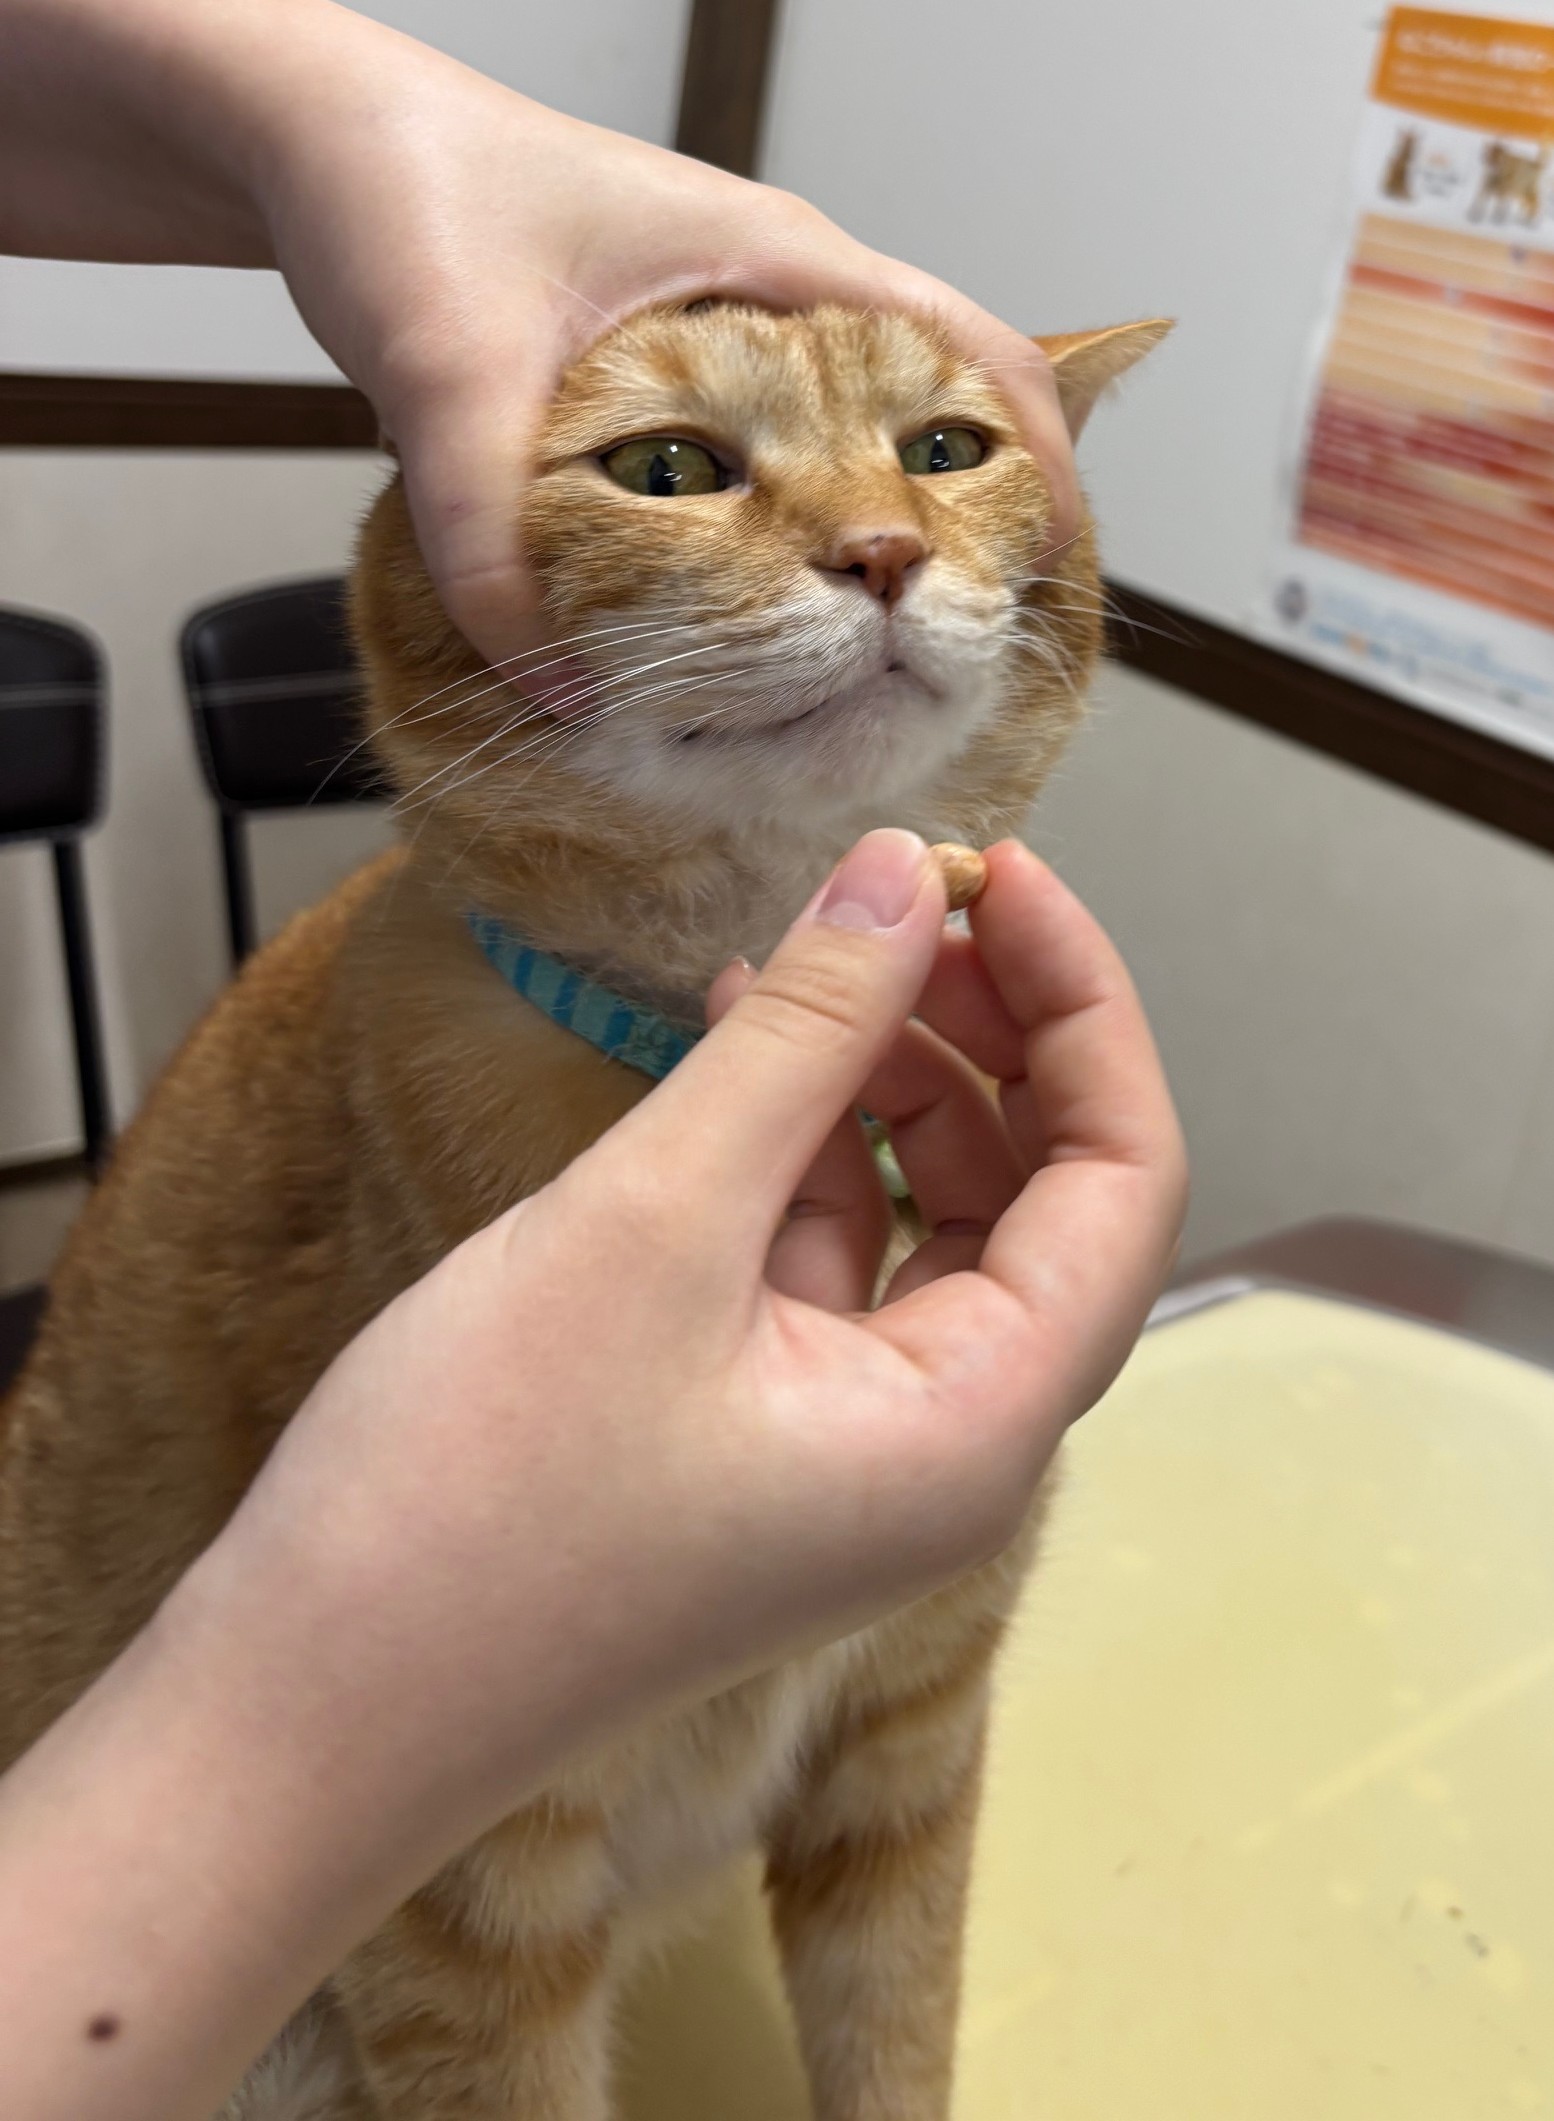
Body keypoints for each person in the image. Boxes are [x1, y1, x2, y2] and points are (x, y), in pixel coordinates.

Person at [0, 6, 1188, 2115]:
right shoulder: (432, 1051)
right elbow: (454, 1910)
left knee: (903, 1730)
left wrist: (315, 121)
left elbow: (898, 1773)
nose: (876, 540)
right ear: (436, 542)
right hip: (179, 1975)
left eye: (947, 450)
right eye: (673, 463)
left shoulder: (971, 1042)